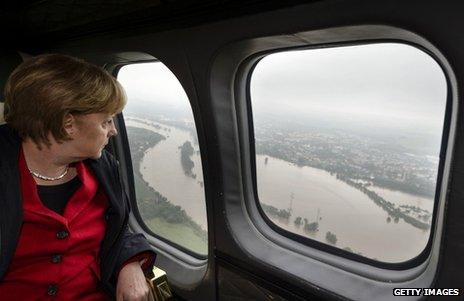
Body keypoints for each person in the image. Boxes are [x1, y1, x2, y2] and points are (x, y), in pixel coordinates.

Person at [0, 54, 156, 300]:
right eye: (106, 121)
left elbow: (118, 227)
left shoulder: (105, 169)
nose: (114, 131)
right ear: (67, 124)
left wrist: (130, 263)